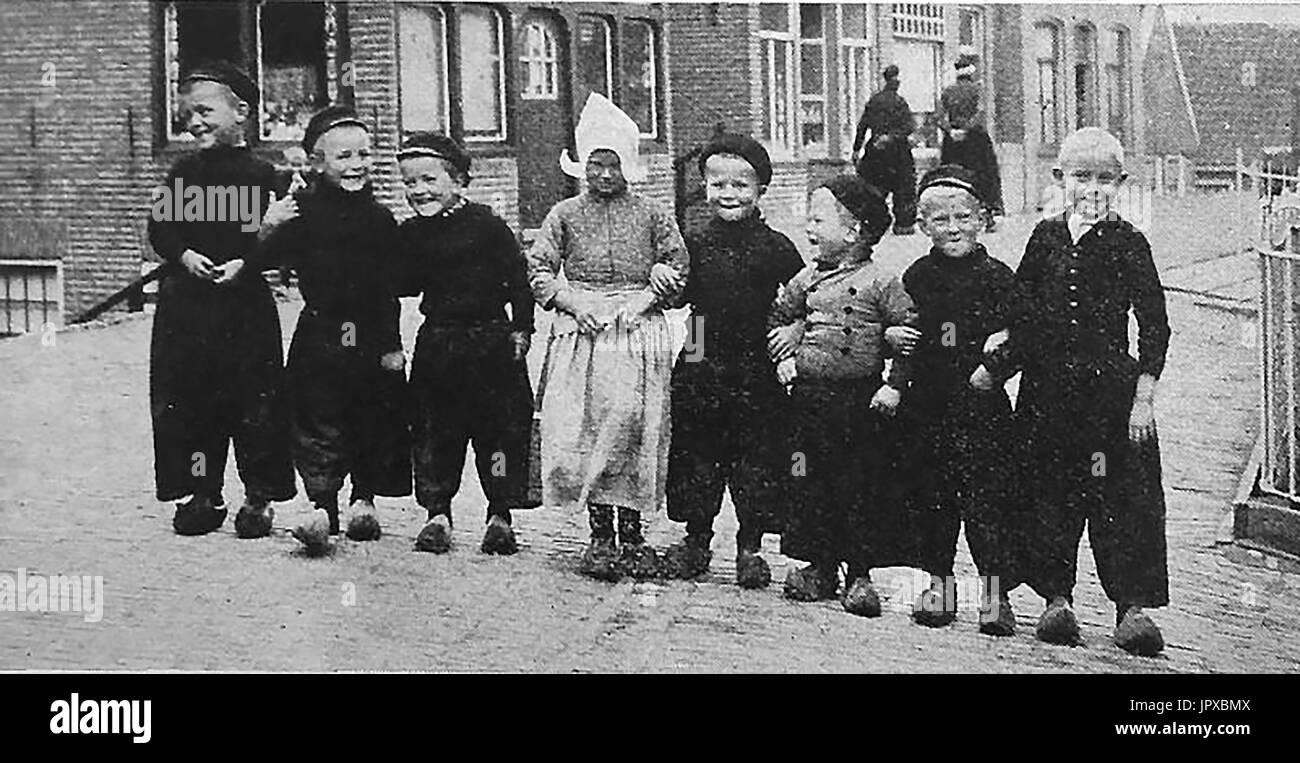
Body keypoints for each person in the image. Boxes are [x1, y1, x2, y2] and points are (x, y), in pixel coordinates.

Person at [975, 127, 1171, 656]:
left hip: (1110, 400)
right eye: (1081, 177)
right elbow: (1022, 304)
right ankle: (1055, 599)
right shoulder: (1045, 238)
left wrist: (1143, 397)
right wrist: (1002, 340)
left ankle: (1131, 608)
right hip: (1048, 396)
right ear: (1059, 180)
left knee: (1121, 502)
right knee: (1048, 496)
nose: (1093, 188)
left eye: (1105, 179)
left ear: (1121, 183)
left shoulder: (1131, 243)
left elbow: (1155, 325)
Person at [527, 94, 689, 582]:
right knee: (587, 427)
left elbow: (678, 268)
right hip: (584, 337)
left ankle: (634, 534)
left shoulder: (653, 214)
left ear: (628, 166)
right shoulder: (564, 215)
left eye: (612, 165)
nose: (602, 176)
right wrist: (573, 303)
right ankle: (599, 535)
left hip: (636, 335)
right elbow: (538, 270)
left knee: (634, 425)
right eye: (594, 165)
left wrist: (648, 295)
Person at [250, 106, 411, 552]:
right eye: (344, 157)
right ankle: (322, 506)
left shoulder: (379, 219)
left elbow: (387, 289)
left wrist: (392, 344)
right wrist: (268, 226)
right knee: (315, 418)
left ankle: (364, 499)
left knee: (368, 413)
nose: (357, 164)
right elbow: (260, 261)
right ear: (318, 162)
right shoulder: (299, 211)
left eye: (364, 154)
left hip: (367, 332)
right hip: (320, 330)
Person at [146, 61, 296, 538]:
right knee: (190, 404)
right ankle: (201, 493)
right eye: (186, 114)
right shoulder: (181, 174)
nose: (195, 122)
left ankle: (259, 497)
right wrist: (184, 253)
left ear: (241, 113)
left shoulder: (267, 176)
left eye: (205, 111)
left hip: (244, 309)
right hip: (186, 312)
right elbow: (161, 229)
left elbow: (282, 244)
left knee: (256, 404)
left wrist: (249, 257)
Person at [768, 175, 917, 615]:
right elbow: (778, 315)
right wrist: (786, 344)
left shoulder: (883, 281)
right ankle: (819, 565)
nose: (809, 228)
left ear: (854, 230)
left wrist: (895, 382)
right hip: (810, 402)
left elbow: (912, 336)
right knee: (810, 482)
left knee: (858, 485)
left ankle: (859, 575)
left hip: (859, 402)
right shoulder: (805, 278)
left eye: (818, 219)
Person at [660, 133, 804, 588]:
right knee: (697, 457)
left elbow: (805, 298)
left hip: (756, 365)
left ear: (761, 189)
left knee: (755, 462)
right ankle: (696, 539)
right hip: (703, 350)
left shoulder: (777, 246)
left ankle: (750, 546)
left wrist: (794, 331)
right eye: (717, 184)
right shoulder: (694, 241)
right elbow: (682, 297)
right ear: (704, 188)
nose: (728, 194)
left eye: (741, 185)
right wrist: (664, 278)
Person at [895, 164, 1024, 636]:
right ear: (924, 225)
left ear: (982, 219)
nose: (953, 229)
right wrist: (896, 362)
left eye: (963, 218)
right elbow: (905, 332)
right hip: (928, 407)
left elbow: (1023, 332)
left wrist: (995, 367)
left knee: (988, 503)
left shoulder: (998, 277)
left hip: (981, 409)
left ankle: (996, 595)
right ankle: (939, 584)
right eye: (941, 220)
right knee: (934, 499)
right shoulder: (918, 275)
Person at [394, 133, 534, 556]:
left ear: (458, 181)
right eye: (410, 183)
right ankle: (438, 513)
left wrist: (522, 330)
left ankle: (499, 514)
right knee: (436, 432)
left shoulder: (488, 225)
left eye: (429, 180)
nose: (419, 190)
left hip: (491, 342)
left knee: (498, 434)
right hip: (439, 342)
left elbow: (519, 282)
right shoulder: (412, 234)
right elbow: (402, 283)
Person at [939, 53, 1004, 231]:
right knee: (985, 175)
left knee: (954, 177)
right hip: (975, 140)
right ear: (971, 73)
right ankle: (989, 214)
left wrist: (952, 131)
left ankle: (954, 215)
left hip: (953, 142)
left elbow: (939, 116)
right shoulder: (977, 90)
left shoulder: (948, 91)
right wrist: (967, 129)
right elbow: (981, 113)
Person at [852, 64, 917, 235]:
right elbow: (909, 126)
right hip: (898, 151)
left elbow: (862, 125)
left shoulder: (874, 101)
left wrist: (856, 149)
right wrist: (893, 137)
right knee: (903, 187)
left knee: (873, 186)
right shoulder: (900, 102)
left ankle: (873, 220)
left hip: (876, 150)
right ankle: (903, 224)